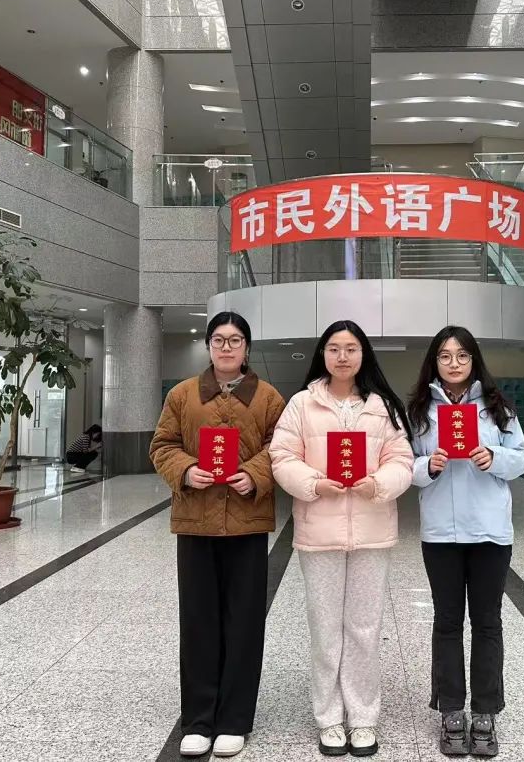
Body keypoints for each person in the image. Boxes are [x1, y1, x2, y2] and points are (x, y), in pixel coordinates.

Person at [270, 320, 414, 758]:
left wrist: (380, 483)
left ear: (363, 354)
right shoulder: (301, 404)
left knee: (365, 628)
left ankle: (363, 717)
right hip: (320, 532)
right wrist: (314, 483)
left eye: (351, 348)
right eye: (334, 348)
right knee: (325, 628)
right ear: (323, 354)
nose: (343, 356)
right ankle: (329, 718)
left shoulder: (382, 406)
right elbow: (282, 456)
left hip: (372, 533)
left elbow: (402, 459)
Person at [150, 311, 285, 759]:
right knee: (199, 620)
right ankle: (199, 719)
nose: (227, 347)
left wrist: (255, 474)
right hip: (197, 521)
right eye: (219, 340)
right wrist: (187, 470)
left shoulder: (268, 398)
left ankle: (234, 719)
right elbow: (162, 445)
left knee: (244, 621)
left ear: (247, 348)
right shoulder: (182, 395)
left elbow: (282, 447)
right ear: (209, 346)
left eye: (235, 340)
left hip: (248, 522)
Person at [406, 326, 524, 758]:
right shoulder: (420, 411)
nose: (454, 363)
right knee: (446, 622)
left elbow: (522, 458)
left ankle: (485, 712)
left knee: (487, 621)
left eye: (462, 355)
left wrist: (493, 457)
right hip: (440, 532)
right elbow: (405, 464)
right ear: (434, 362)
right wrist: (428, 466)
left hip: (490, 531)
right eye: (445, 356)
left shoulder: (498, 408)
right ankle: (451, 711)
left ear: (474, 360)